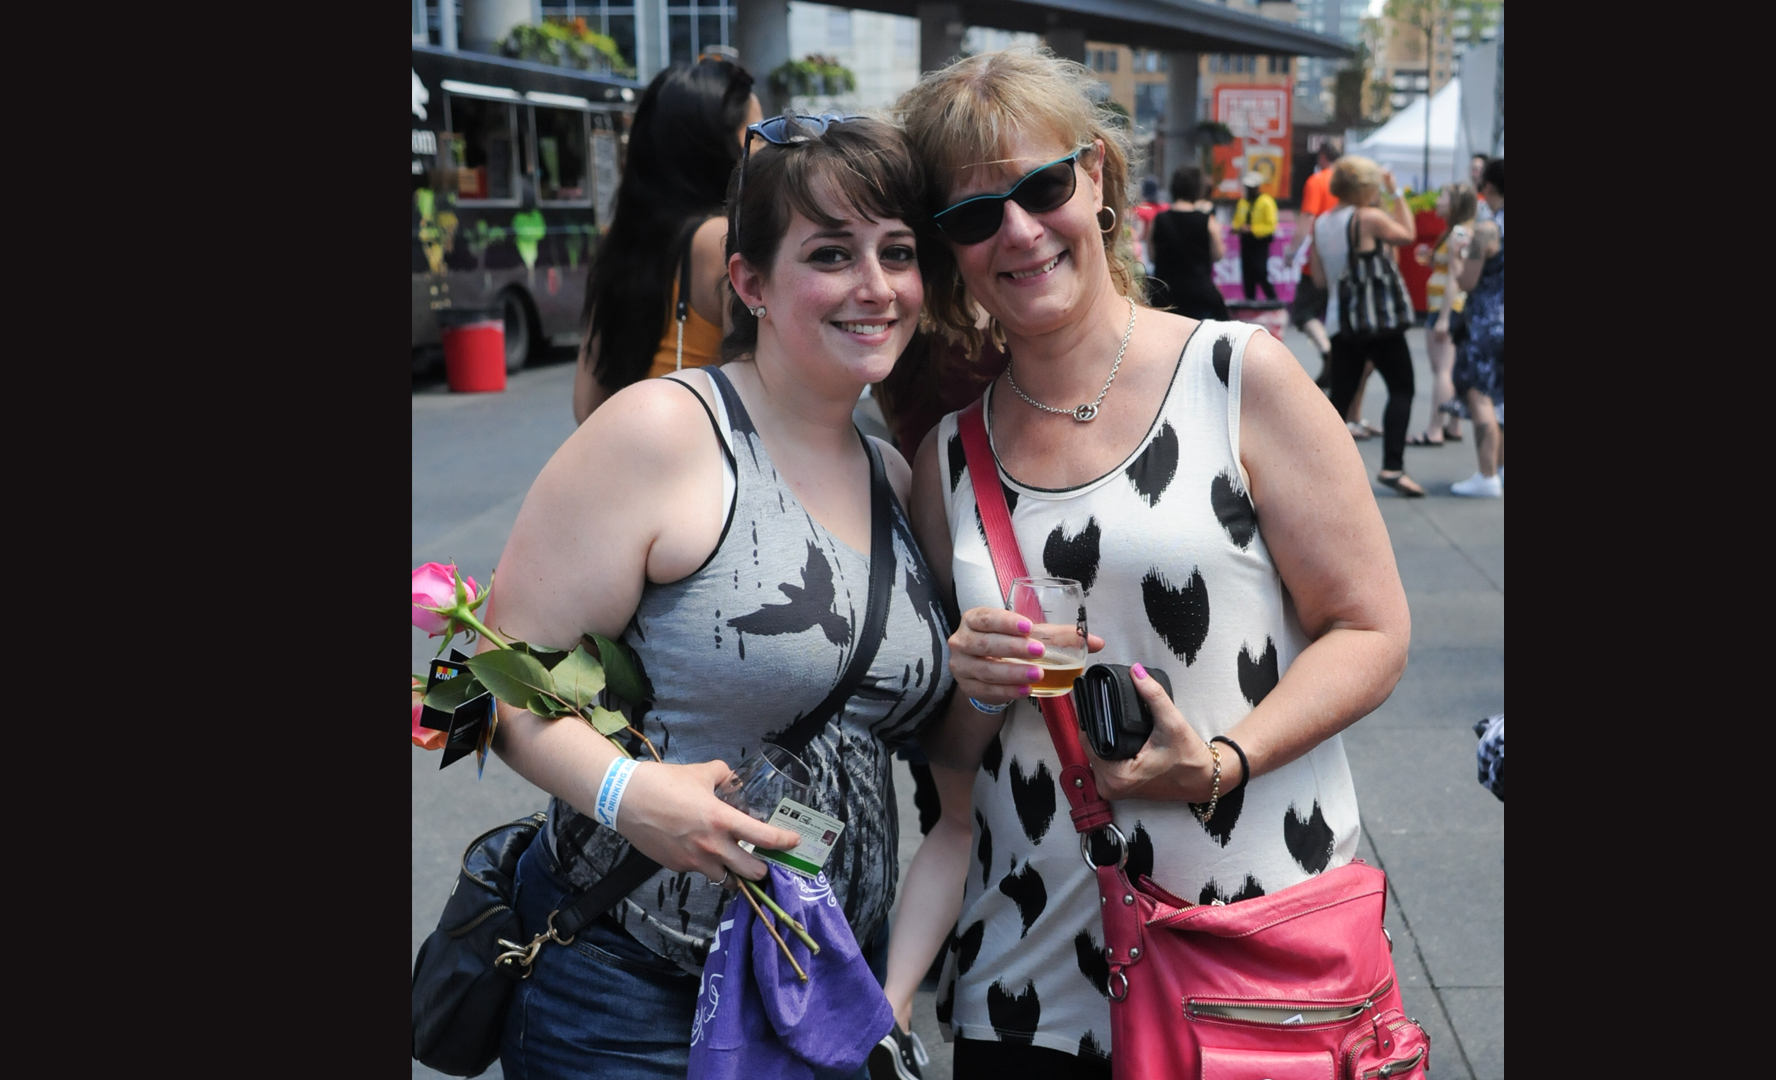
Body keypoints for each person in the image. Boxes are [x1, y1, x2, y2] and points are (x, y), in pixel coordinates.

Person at [893, 49, 1412, 1079]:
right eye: (976, 214)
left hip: (1249, 964)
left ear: (1096, 177)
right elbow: (952, 765)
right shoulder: (947, 458)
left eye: (1042, 186)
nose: (1020, 231)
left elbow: (1372, 629)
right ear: (949, 249)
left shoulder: (1238, 376)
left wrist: (1220, 762)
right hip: (1025, 984)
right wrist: (975, 684)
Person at [480, 114, 955, 1079]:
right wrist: (627, 795)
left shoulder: (894, 476)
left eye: (898, 253)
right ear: (750, 282)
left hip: (822, 988)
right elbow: (482, 682)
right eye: (831, 254)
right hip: (630, 995)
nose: (876, 285)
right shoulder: (666, 433)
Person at [572, 58, 763, 423]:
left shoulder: (623, 245)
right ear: (729, 144)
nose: (767, 148)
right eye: (759, 132)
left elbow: (586, 407)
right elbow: (753, 402)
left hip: (625, 450)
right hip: (694, 452)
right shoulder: (721, 242)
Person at [1309, 155, 1425, 497]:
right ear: (1365, 187)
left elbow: (1319, 279)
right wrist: (1397, 193)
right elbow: (1407, 235)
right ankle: (1392, 466)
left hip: (1340, 321)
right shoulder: (1368, 218)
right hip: (1376, 320)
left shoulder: (1322, 223)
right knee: (1401, 388)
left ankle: (1314, 469)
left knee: (1340, 400)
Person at [1448, 157, 1504, 497]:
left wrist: (1456, 256)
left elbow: (1467, 282)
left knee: (1480, 396)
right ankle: (1499, 468)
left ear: (1489, 186)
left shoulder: (1487, 230)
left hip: (1487, 321)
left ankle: (1487, 475)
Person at [1407, 180, 1476, 446]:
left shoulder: (1458, 234)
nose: (1437, 201)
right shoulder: (1454, 233)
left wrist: (1445, 317)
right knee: (1450, 370)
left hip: (1447, 308)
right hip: (1447, 307)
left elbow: (1455, 277)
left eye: (1443, 196)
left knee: (1443, 370)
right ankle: (1452, 424)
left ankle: (1435, 429)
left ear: (1456, 203)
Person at [1282, 142, 1339, 381]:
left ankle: (1327, 351)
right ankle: (1333, 362)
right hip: (1346, 257)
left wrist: (1291, 252)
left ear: (1323, 156)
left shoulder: (1317, 182)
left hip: (1319, 258)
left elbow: (1307, 219)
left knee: (1303, 312)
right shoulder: (1347, 182)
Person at [1145, 165, 1228, 321]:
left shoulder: (1158, 220)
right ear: (1198, 190)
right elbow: (1218, 255)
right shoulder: (1207, 221)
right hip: (1199, 295)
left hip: (1165, 296)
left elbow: (1152, 257)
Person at [1231, 173, 1279, 302]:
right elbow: (1237, 220)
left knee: (1261, 272)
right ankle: (1249, 302)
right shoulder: (1243, 202)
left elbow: (1271, 226)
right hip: (1246, 242)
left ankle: (1273, 302)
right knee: (1247, 275)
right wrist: (1237, 228)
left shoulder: (1266, 202)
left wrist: (1252, 229)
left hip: (1260, 242)